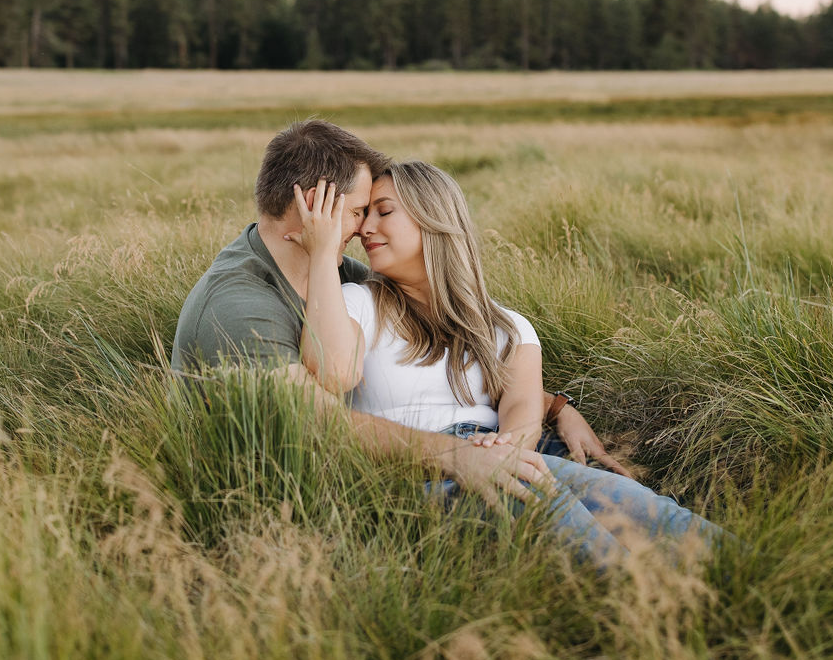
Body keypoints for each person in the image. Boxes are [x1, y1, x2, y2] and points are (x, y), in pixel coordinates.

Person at [294, 158, 727, 569]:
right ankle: (663, 615)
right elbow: (328, 367)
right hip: (415, 472)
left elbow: (521, 409)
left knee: (639, 505)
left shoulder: (507, 326)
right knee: (571, 527)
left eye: (383, 212)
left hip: (501, 454)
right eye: (364, 214)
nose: (365, 228)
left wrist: (509, 446)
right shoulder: (359, 303)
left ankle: (753, 579)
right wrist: (322, 252)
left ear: (432, 219)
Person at [171, 119, 618, 505]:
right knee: (571, 505)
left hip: (424, 456)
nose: (363, 229)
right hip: (279, 499)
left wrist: (555, 407)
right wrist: (457, 455)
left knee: (623, 501)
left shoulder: (343, 273)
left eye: (373, 212)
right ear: (314, 206)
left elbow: (439, 351)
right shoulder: (239, 305)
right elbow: (313, 421)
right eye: (358, 211)